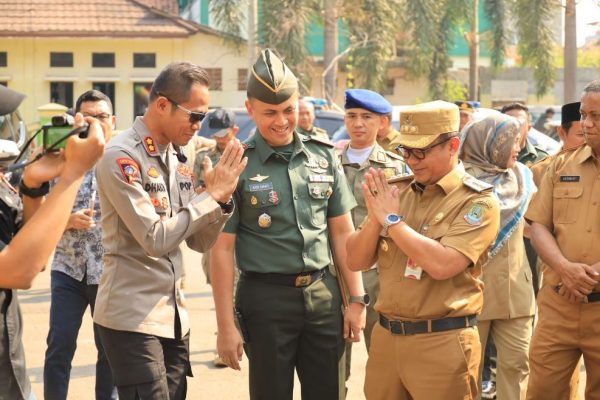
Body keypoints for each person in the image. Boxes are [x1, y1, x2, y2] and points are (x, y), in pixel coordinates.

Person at [210, 49, 366, 400]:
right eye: (270, 113)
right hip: (265, 301)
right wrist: (225, 326)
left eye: (288, 110)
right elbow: (221, 250)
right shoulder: (236, 164)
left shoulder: (324, 155)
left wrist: (356, 300)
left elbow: (342, 233)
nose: (281, 121)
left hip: (323, 296)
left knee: (329, 392)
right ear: (250, 109)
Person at [93, 62, 247, 400]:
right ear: (162, 104)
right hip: (131, 317)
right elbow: (155, 238)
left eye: (202, 118)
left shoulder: (177, 159)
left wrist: (219, 201)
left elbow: (199, 241)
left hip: (174, 317)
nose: (198, 126)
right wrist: (211, 197)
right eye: (194, 116)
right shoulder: (121, 158)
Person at [347, 100, 501, 400]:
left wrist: (391, 221)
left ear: (453, 145)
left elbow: (443, 264)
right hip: (388, 339)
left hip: (442, 341)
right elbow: (355, 259)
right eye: (406, 151)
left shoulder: (477, 202)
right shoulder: (397, 191)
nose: (412, 160)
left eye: (422, 151)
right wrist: (376, 218)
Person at [0, 84, 106, 400]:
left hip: (9, 372)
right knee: (60, 346)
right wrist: (73, 174)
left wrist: (34, 187)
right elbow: (17, 271)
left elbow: (34, 255)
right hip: (69, 273)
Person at [525, 80, 600, 399]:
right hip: (559, 304)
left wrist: (592, 274)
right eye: (584, 115)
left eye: (596, 116)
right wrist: (565, 268)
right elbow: (537, 225)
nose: (587, 124)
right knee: (543, 391)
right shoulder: (561, 165)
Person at [43, 90, 117, 400]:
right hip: (68, 271)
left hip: (110, 272)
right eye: (87, 117)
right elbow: (36, 206)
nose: (95, 123)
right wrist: (65, 218)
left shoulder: (124, 159)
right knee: (59, 346)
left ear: (113, 121)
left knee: (109, 353)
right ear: (76, 120)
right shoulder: (61, 156)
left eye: (101, 117)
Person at [459, 114, 536, 400]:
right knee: (467, 371)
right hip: (470, 293)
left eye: (517, 141)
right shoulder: (459, 182)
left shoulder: (523, 179)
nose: (517, 147)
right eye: (509, 141)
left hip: (516, 293)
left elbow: (536, 226)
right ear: (486, 143)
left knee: (517, 366)